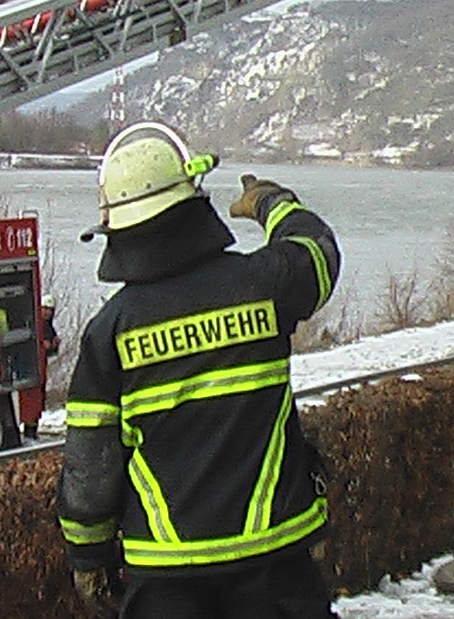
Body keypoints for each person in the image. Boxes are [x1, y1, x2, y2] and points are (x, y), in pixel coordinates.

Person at [57, 122, 342, 619]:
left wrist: (89, 558)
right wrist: (270, 202)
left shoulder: (109, 332)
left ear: (114, 226)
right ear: (193, 198)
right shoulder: (263, 284)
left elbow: (90, 469)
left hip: (166, 579)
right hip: (277, 569)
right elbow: (317, 250)